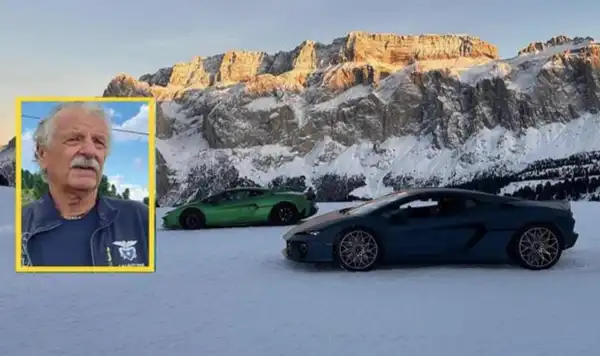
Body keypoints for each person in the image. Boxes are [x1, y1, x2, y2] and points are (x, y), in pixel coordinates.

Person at [21, 102, 150, 267]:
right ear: (42, 154)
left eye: (99, 142)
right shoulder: (19, 225)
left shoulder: (140, 219)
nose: (90, 151)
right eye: (74, 139)